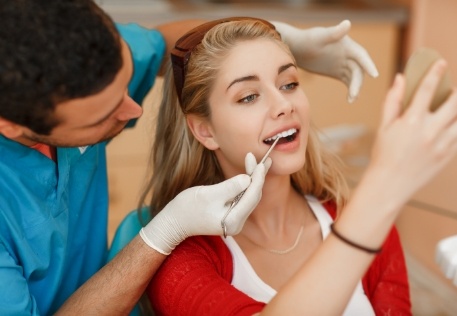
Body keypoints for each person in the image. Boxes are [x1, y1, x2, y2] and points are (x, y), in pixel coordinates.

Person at [0, 0, 379, 314]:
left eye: (289, 84)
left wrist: (275, 32)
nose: (134, 109)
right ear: (11, 126)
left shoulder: (77, 58)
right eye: (248, 96)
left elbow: (167, 43)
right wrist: (164, 233)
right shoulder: (188, 263)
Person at [144, 18, 457, 315]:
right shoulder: (180, 260)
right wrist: (384, 184)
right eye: (249, 96)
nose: (284, 105)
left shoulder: (366, 224)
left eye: (289, 83)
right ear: (205, 130)